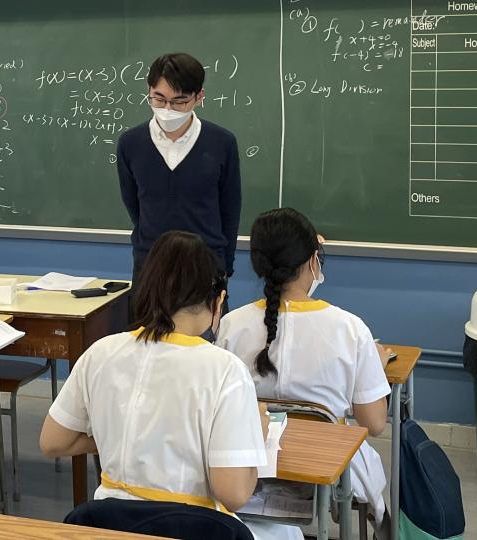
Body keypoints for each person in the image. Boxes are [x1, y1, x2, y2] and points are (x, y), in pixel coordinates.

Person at [39, 231, 301, 540]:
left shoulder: (101, 352)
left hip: (109, 525)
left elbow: (53, 442)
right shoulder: (225, 370)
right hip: (192, 527)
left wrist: (128, 436)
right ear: (218, 300)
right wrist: (257, 435)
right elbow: (233, 494)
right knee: (289, 533)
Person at [216, 208, 392, 537]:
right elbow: (375, 423)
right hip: (325, 469)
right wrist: (375, 371)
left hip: (248, 467)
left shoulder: (231, 325)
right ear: (313, 261)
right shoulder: (350, 329)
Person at [117, 52, 242, 316]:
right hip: (150, 268)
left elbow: (230, 209)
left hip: (206, 268)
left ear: (199, 97)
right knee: (146, 339)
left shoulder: (221, 143)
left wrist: (224, 266)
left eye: (179, 101)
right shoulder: (131, 143)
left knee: (207, 341)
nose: (167, 109)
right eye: (159, 98)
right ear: (149, 91)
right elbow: (134, 204)